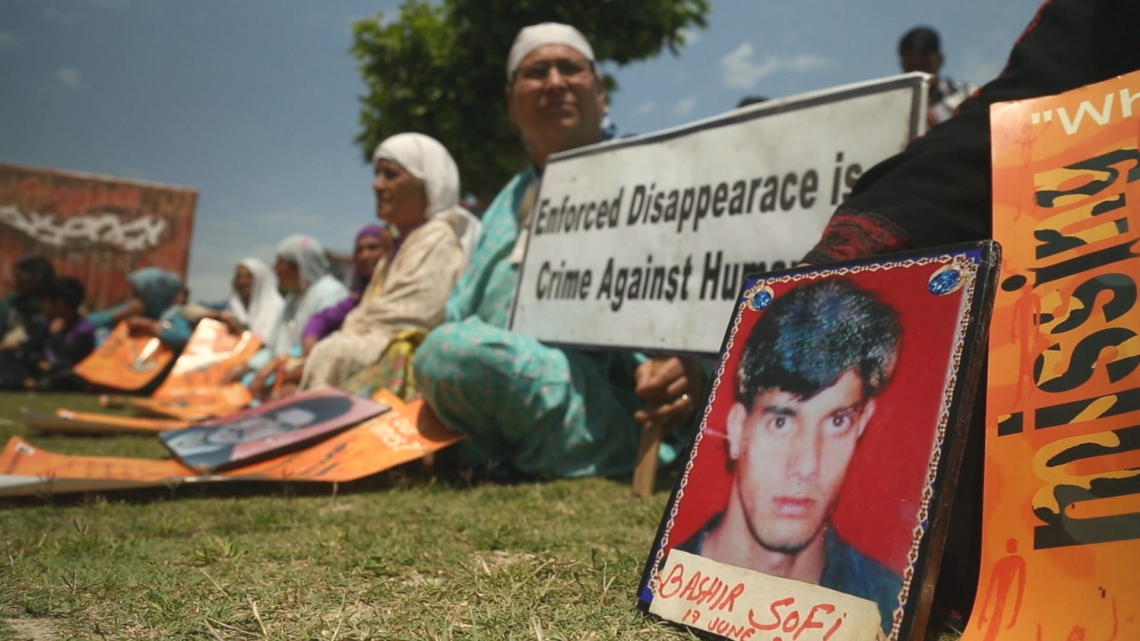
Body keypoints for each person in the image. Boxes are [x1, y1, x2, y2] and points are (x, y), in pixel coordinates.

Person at [413, 23, 704, 478]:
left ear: (599, 91)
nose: (554, 83)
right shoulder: (509, 199)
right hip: (491, 397)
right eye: (537, 72)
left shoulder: (653, 181)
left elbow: (706, 304)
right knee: (441, 351)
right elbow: (460, 309)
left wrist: (690, 374)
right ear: (511, 104)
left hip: (618, 409)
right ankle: (505, 457)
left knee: (446, 351)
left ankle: (576, 453)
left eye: (570, 68)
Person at [676, 278, 903, 634]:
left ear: (862, 425)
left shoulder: (889, 605)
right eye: (781, 421)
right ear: (737, 429)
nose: (807, 466)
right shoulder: (671, 578)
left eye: (838, 421)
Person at [300, 134, 470, 390]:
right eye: (377, 175)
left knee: (329, 356)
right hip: (376, 354)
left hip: (410, 374)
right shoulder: (399, 249)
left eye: (390, 175)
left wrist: (334, 343)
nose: (377, 185)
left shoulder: (437, 240)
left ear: (428, 186)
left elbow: (405, 320)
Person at [243, 235, 349, 398]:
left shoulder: (330, 293)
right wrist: (247, 366)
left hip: (307, 373)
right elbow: (274, 347)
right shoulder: (293, 298)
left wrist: (279, 364)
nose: (275, 268)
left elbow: (318, 346)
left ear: (300, 265)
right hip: (281, 370)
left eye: (281, 263)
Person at [300, 223, 391, 352]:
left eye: (373, 247)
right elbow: (323, 319)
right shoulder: (359, 298)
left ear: (388, 250)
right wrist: (310, 339)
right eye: (359, 250)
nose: (365, 255)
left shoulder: (398, 289)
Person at [86, 267, 192, 350]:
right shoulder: (130, 310)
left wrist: (151, 326)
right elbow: (86, 323)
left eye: (137, 294)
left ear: (154, 295)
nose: (131, 299)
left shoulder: (172, 314)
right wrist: (119, 315)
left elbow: (184, 339)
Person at [20, 277, 97, 391]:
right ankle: (29, 382)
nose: (43, 306)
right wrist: (37, 361)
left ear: (61, 303)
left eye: (46, 301)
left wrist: (57, 335)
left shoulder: (83, 329)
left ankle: (31, 383)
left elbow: (71, 358)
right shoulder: (46, 323)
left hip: (63, 372)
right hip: (42, 368)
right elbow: (28, 349)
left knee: (69, 376)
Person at [898, 26, 974, 127]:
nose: (919, 73)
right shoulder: (893, 103)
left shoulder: (966, 94)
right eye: (912, 68)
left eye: (924, 66)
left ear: (940, 59)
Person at [0, 255, 55, 350]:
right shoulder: (9, 304)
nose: (14, 279)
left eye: (19, 275)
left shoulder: (55, 308)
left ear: (37, 279)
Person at [222, 258, 285, 342]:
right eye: (239, 276)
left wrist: (241, 332)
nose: (242, 282)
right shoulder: (233, 309)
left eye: (249, 277)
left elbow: (267, 342)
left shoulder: (276, 307)